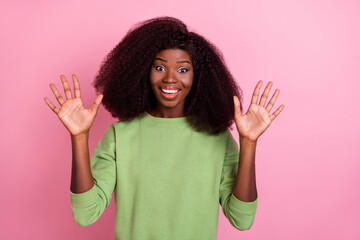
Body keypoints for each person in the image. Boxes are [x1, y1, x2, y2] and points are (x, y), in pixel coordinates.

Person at [44, 16, 284, 240]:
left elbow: (241, 219)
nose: (170, 79)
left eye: (182, 70)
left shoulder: (218, 138)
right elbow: (86, 214)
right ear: (142, 72)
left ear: (197, 77)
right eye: (159, 67)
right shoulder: (120, 135)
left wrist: (249, 143)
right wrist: (79, 137)